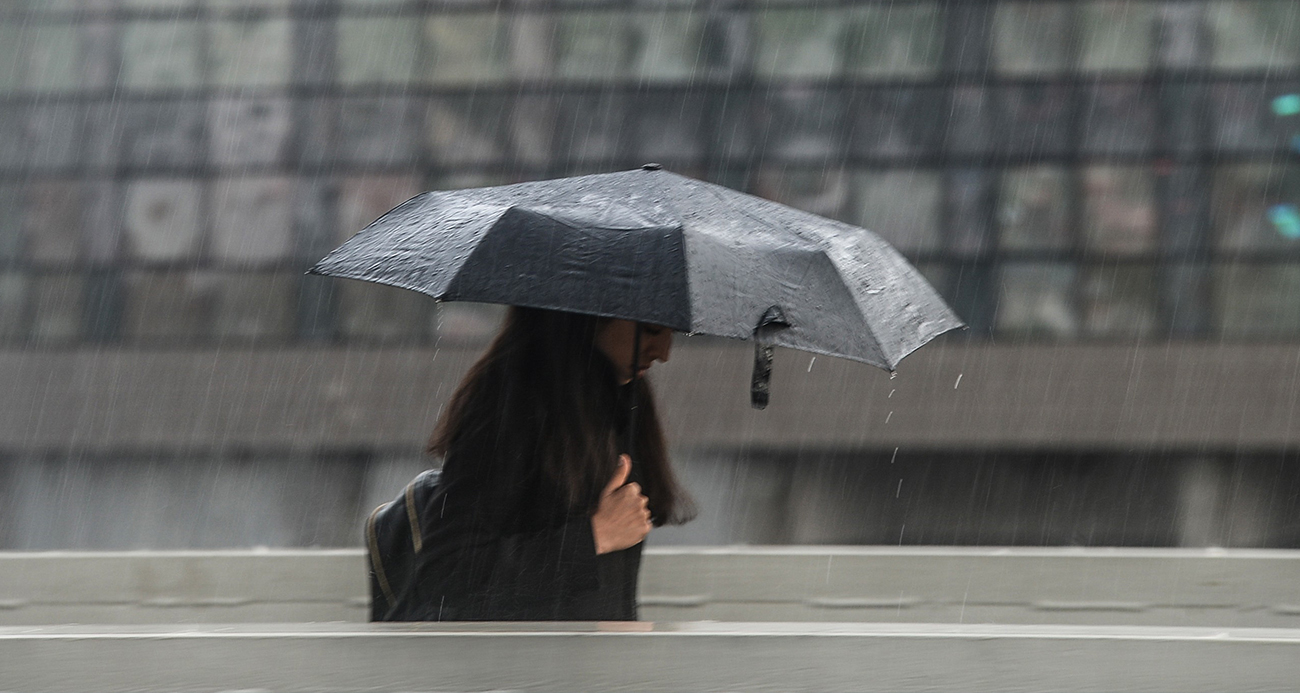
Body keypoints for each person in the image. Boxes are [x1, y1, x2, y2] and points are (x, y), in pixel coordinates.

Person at [391, 306, 694, 621]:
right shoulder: (510, 401)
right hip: (525, 665)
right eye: (651, 330)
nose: (664, 353)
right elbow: (449, 572)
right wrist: (594, 537)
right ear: (588, 316)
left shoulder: (623, 397)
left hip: (595, 662)